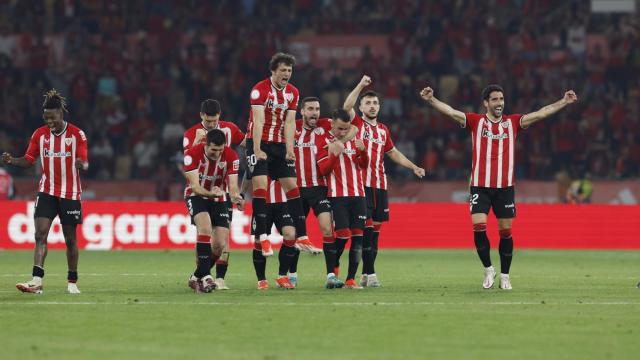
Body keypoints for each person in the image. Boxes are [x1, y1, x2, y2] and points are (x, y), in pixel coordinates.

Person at [420, 84, 578, 289]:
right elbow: (451, 112)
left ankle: (505, 275)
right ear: (486, 103)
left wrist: (563, 102)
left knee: (505, 231)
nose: (499, 103)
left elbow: (540, 114)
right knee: (478, 227)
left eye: (501, 99)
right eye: (494, 99)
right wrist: (432, 100)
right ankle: (488, 269)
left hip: (504, 188)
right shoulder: (476, 122)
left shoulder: (513, 123)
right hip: (479, 186)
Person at [2, 89, 88, 294]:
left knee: (70, 239)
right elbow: (29, 159)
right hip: (47, 191)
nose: (49, 121)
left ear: (61, 114)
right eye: (46, 117)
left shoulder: (77, 134)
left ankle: (72, 281)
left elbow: (84, 161)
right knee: (40, 234)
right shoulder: (39, 135)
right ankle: (36, 280)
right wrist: (12, 160)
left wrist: (79, 164)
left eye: (53, 117)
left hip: (70, 193)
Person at [343, 75, 425, 287]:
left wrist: (413, 166)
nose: (372, 106)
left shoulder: (383, 130)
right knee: (366, 232)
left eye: (375, 103)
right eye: (368, 103)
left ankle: (365, 274)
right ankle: (370, 275)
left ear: (379, 107)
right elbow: (346, 105)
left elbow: (393, 153)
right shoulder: (357, 123)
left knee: (375, 235)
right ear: (361, 107)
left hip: (380, 186)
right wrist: (361, 85)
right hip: (361, 186)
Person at [245, 52, 307, 289]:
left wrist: (290, 150)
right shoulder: (259, 90)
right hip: (258, 141)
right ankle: (262, 235)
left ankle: (301, 234)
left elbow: (290, 122)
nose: (287, 75)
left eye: (289, 71)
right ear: (273, 71)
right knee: (260, 185)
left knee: (292, 186)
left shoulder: (293, 92)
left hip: (279, 145)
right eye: (283, 71)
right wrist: (258, 148)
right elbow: (258, 121)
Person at [183, 99, 245, 289]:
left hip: (219, 195)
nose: (218, 154)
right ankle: (207, 277)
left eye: (220, 150)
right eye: (213, 150)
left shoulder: (231, 154)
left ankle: (197, 276)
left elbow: (233, 186)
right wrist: (211, 193)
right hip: (198, 194)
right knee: (204, 228)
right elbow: (194, 186)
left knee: (219, 244)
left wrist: (236, 197)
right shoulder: (191, 147)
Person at [317, 109, 369, 289]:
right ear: (332, 124)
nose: (343, 132)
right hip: (338, 196)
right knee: (342, 235)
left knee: (358, 238)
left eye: (346, 129)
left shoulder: (353, 139)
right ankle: (334, 266)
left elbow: (363, 165)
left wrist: (363, 153)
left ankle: (350, 280)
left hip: (359, 195)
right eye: (340, 128)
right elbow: (323, 170)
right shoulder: (324, 141)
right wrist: (334, 154)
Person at [250, 179, 299, 290]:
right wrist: (242, 194)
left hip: (285, 201)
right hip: (262, 202)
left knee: (291, 235)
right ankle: (261, 279)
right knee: (259, 241)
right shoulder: (258, 161)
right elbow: (248, 176)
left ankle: (282, 276)